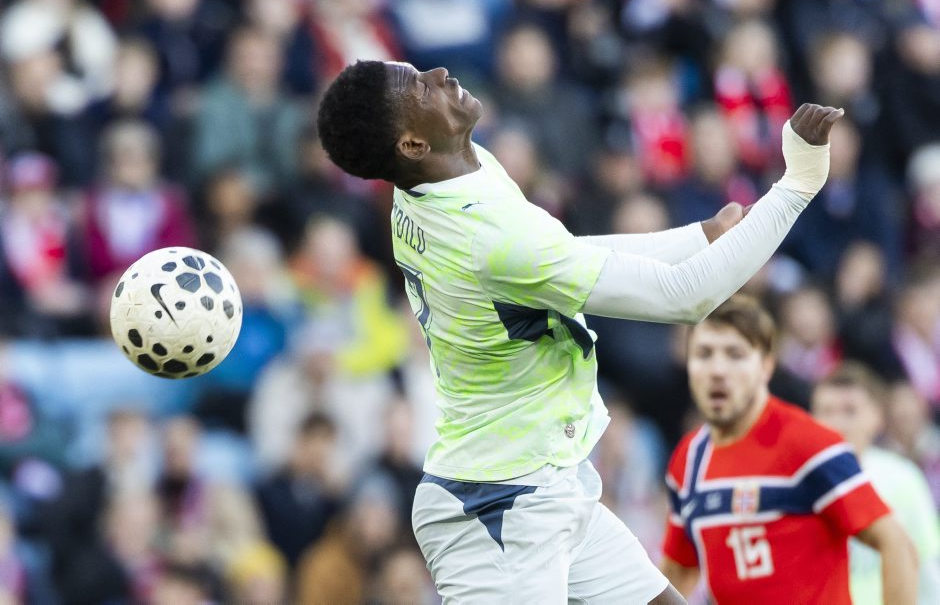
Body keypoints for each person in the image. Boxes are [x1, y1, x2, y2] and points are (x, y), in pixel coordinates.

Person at [316, 58, 841, 603]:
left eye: (417, 70)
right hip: (496, 510)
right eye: (420, 88)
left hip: (540, 480)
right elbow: (685, 296)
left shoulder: (441, 180)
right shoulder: (485, 234)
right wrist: (798, 185)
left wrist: (698, 238)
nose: (439, 74)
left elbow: (558, 257)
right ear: (412, 145)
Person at [660, 296, 917, 604]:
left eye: (735, 354)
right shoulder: (688, 459)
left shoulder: (810, 443)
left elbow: (896, 544)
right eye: (704, 354)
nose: (717, 370)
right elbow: (679, 572)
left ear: (766, 365)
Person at [811, 362, 940, 605]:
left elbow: (928, 567)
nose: (836, 423)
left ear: (877, 417)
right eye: (826, 411)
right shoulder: (797, 482)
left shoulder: (902, 478)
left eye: (850, 411)